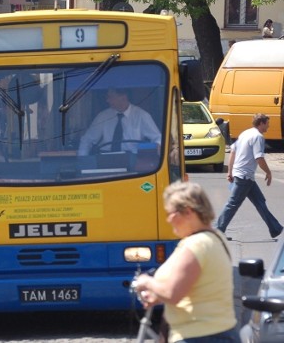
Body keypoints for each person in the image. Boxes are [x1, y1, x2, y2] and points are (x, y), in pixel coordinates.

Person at [133, 181, 240, 343]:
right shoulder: (216, 238)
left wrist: (146, 282)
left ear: (188, 212)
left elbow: (172, 293)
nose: (168, 220)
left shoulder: (196, 245)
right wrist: (158, 296)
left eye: (171, 213)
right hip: (219, 332)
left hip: (198, 336)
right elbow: (196, 289)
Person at [216, 113, 283, 239]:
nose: (268, 126)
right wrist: (268, 172)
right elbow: (259, 158)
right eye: (267, 123)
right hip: (244, 176)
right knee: (233, 203)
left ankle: (275, 228)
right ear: (261, 123)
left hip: (242, 174)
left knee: (260, 201)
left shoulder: (245, 133)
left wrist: (230, 172)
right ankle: (218, 230)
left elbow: (233, 152)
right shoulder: (258, 137)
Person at [78, 88, 161, 155]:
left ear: (123, 97)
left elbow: (158, 138)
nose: (107, 101)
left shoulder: (142, 115)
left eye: (110, 97)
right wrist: (82, 162)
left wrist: (152, 156)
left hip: (133, 159)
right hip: (106, 158)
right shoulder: (103, 116)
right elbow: (87, 140)